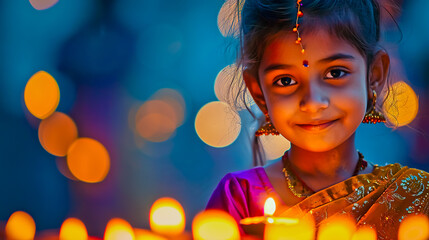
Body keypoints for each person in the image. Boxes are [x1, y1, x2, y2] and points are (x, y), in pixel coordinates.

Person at [206, 0, 429, 239]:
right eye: (285, 81)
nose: (312, 102)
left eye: (335, 73)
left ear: (374, 74)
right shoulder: (240, 198)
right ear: (258, 91)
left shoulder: (416, 197)